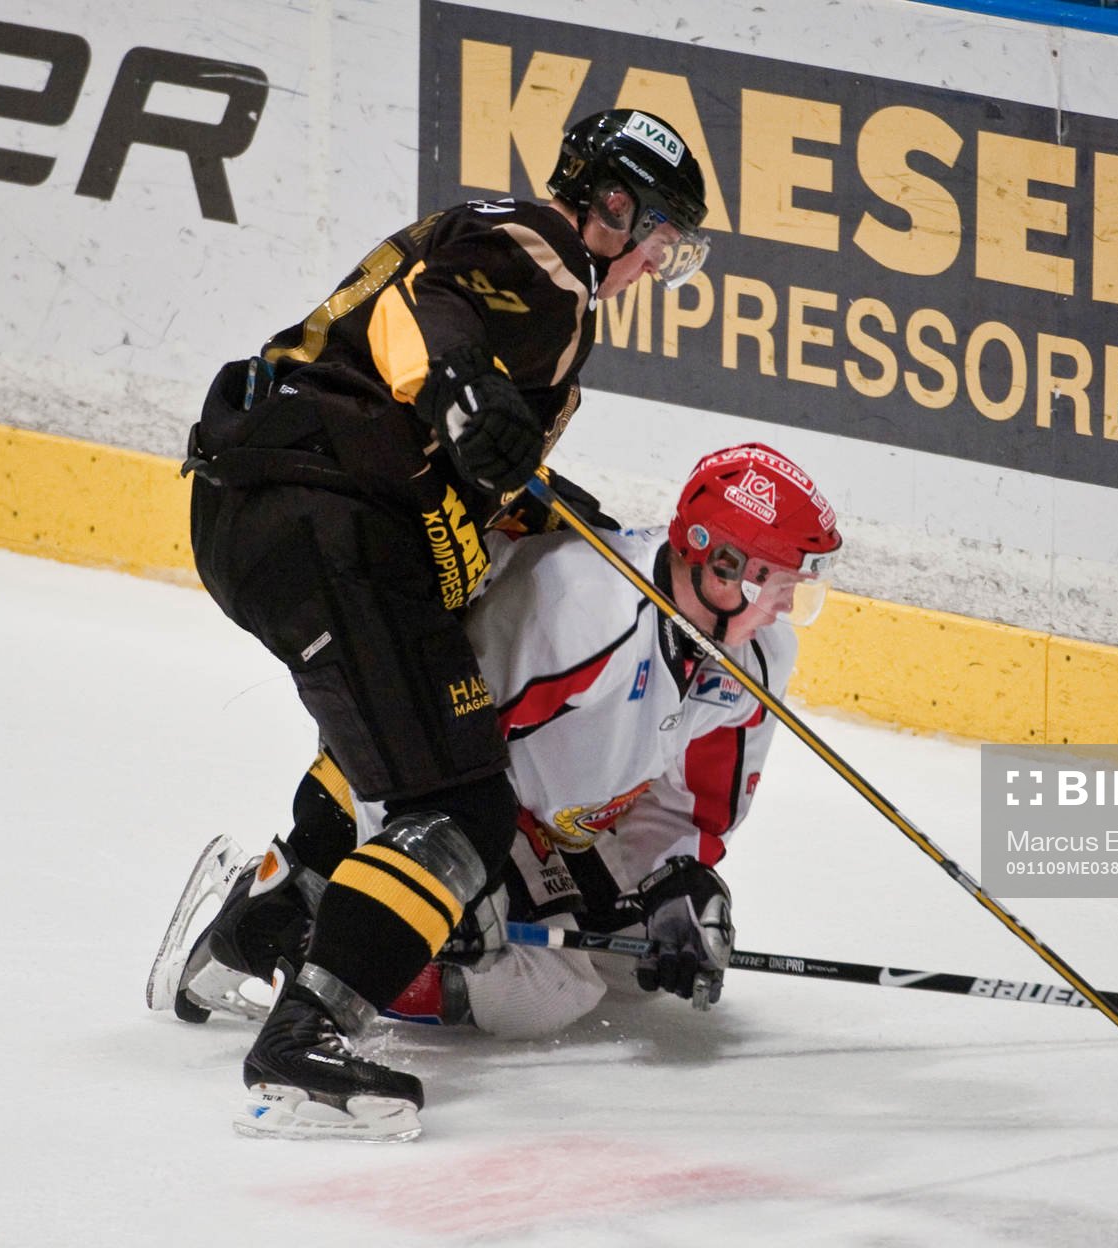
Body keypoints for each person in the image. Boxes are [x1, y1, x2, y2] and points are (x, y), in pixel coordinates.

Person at [173, 108, 711, 1142]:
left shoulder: (532, 279)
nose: (655, 260)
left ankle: (258, 930)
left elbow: (438, 407)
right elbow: (421, 318)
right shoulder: (544, 257)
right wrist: (463, 386)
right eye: (656, 233)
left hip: (289, 515)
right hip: (326, 520)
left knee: (409, 748)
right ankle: (306, 1036)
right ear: (608, 204)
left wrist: (537, 497)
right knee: (461, 804)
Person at [153, 444, 843, 1140]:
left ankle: (333, 910)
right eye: (779, 582)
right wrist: (427, 881)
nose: (786, 605)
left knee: (638, 960)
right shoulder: (583, 613)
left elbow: (689, 804)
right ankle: (295, 927)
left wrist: (676, 878)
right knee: (544, 990)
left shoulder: (757, 656)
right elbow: (406, 739)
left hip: (556, 824)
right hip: (460, 797)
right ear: (721, 567)